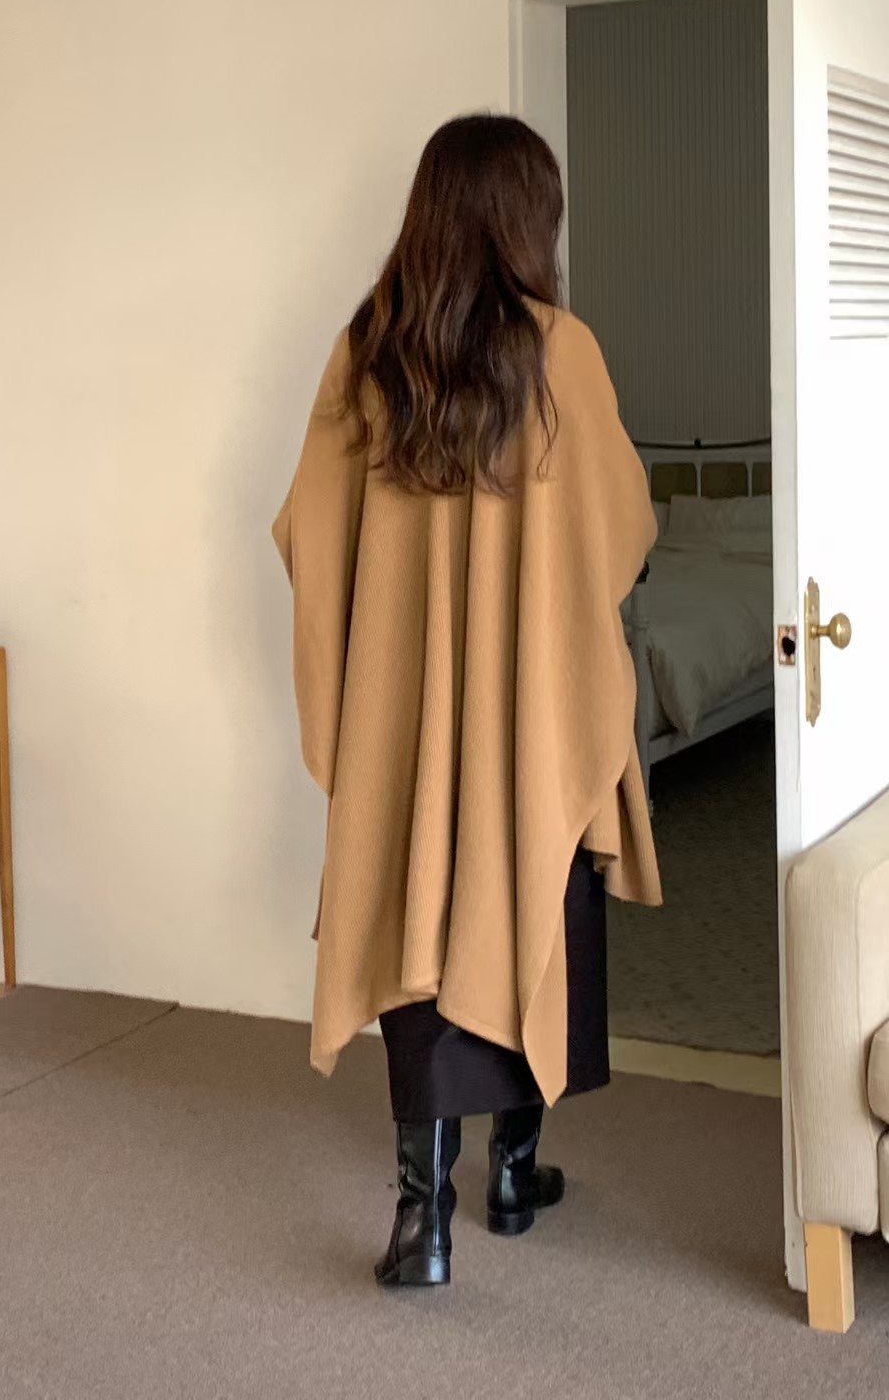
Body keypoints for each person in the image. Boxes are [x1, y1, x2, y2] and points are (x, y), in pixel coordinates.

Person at [272, 114, 661, 1288]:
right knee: (538, 894)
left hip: (407, 726)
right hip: (533, 716)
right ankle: (513, 1175)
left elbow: (306, 533)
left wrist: (391, 648)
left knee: (419, 929)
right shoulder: (560, 351)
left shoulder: (369, 352)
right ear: (526, 220)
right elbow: (623, 527)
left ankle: (422, 1219)